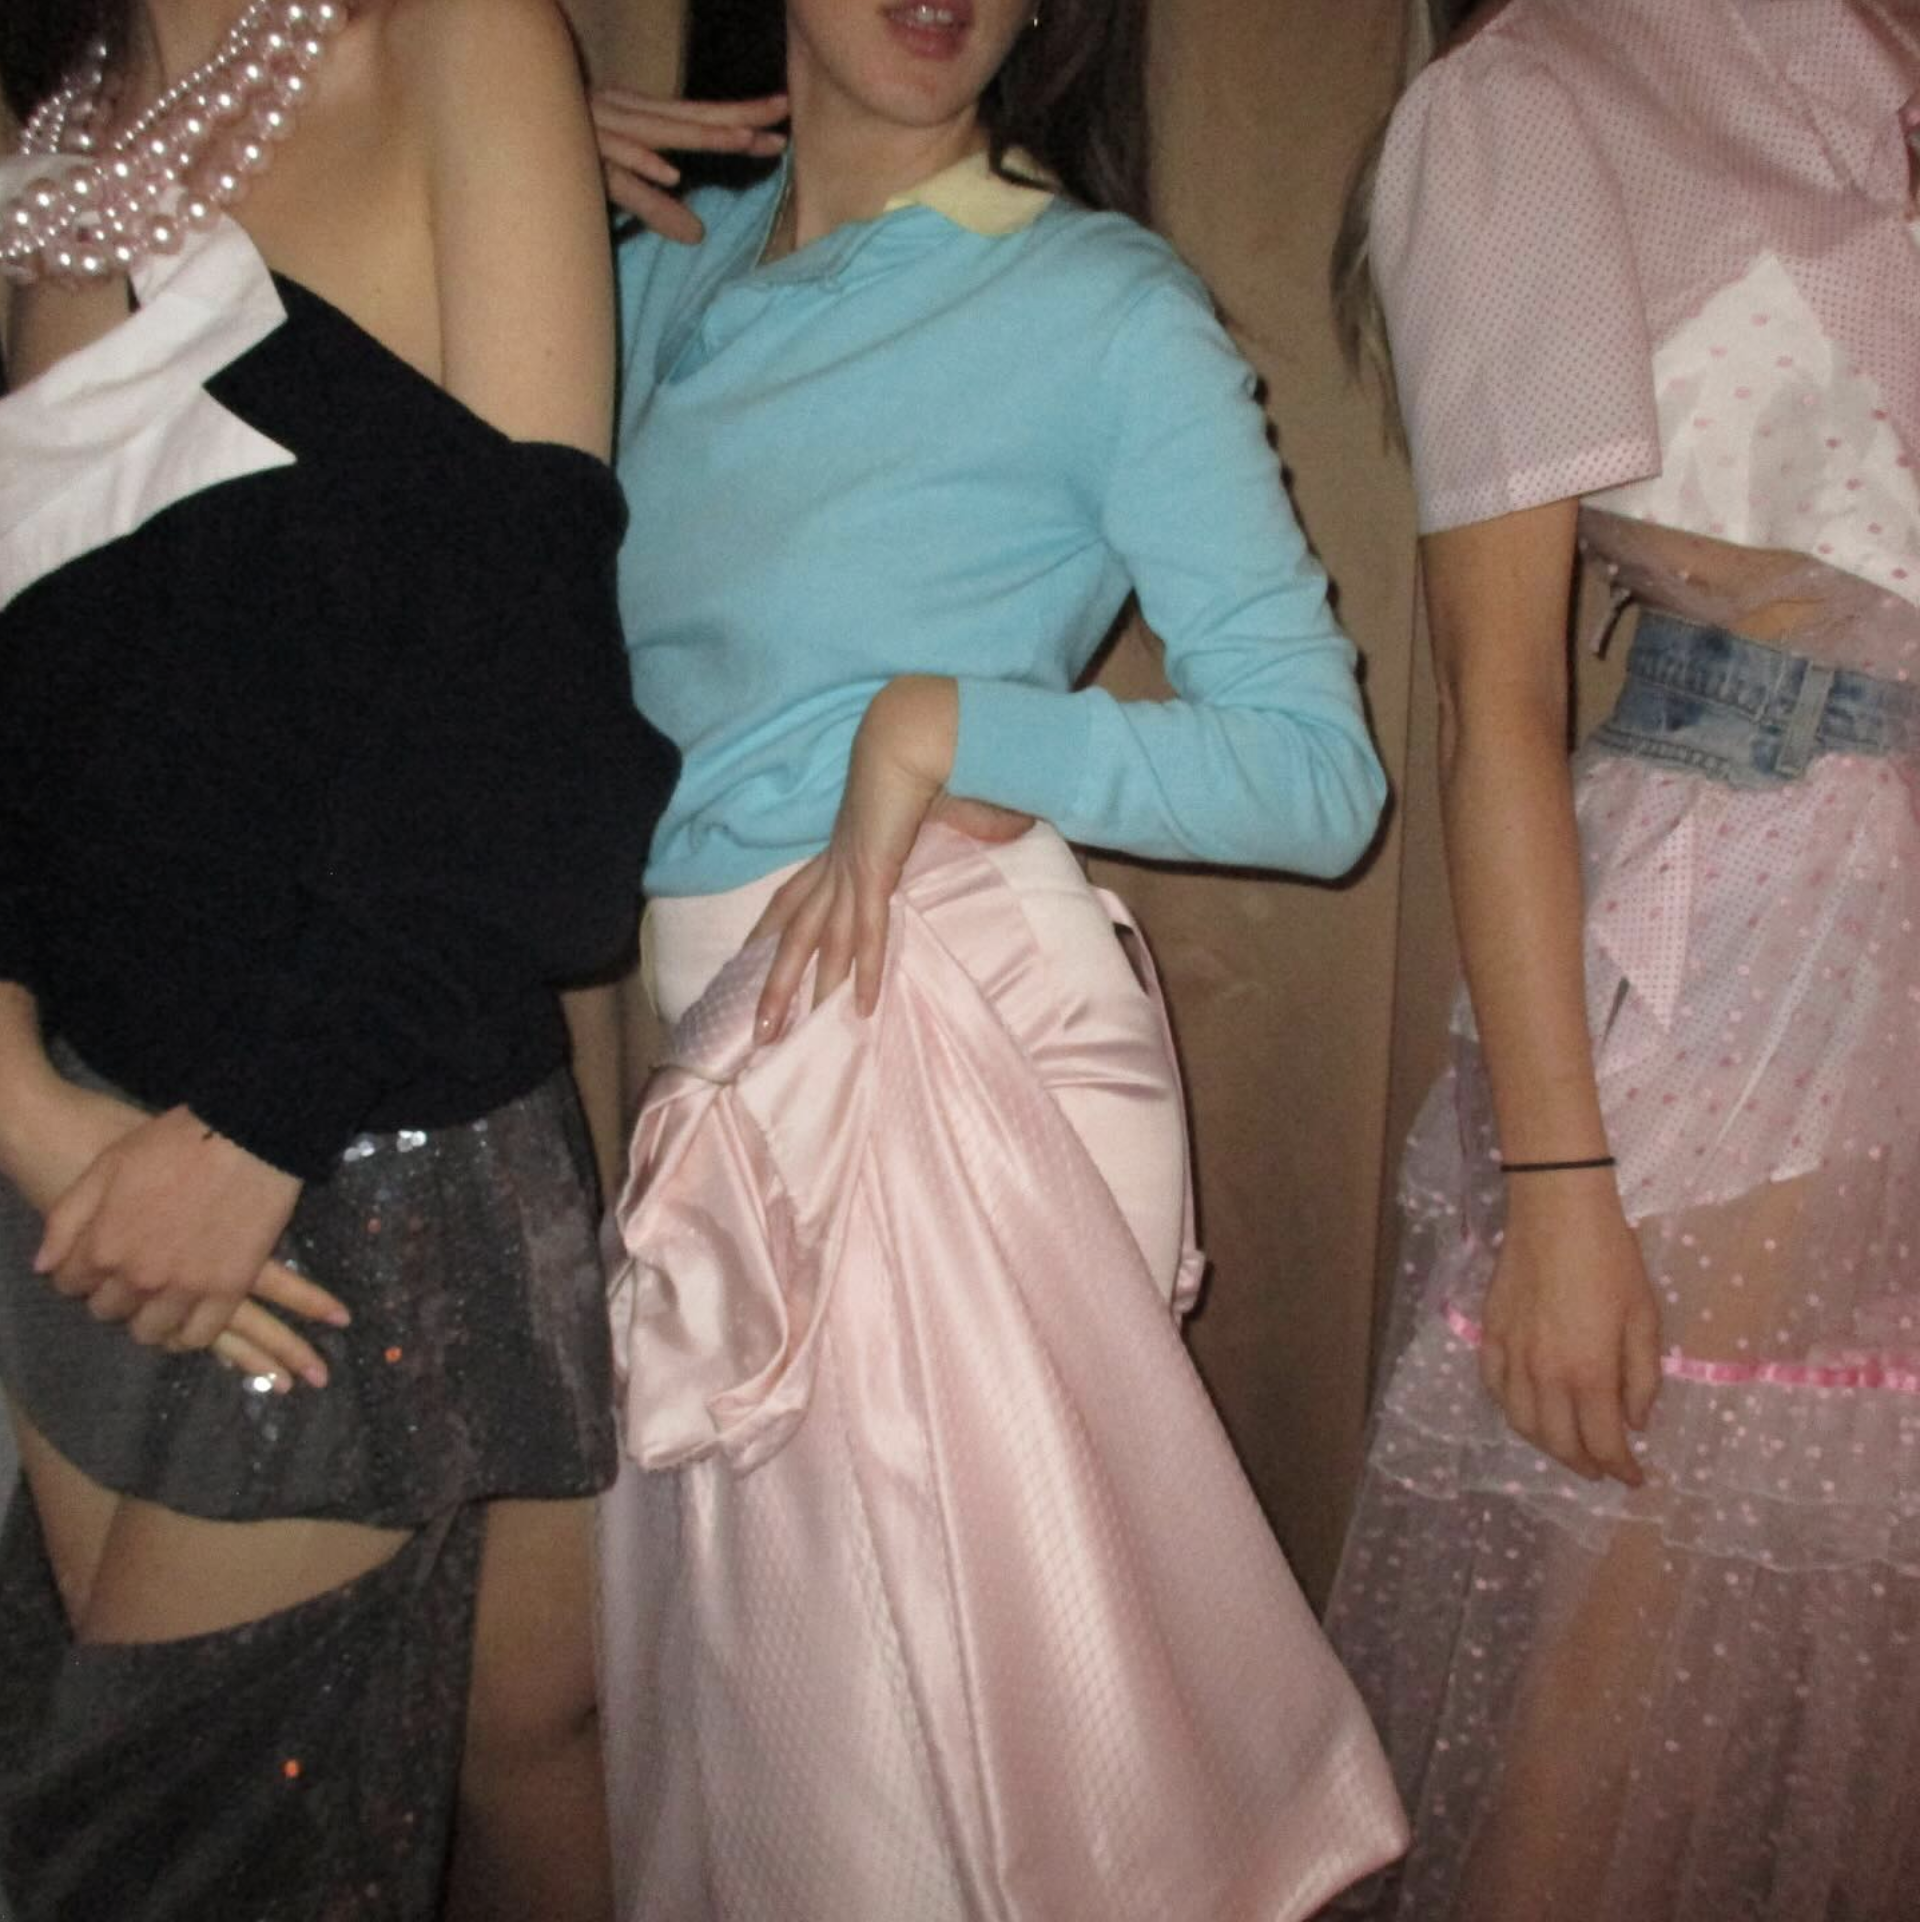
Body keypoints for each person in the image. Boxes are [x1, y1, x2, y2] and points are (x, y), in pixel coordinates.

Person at [589, 2, 1411, 1916]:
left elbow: (1321, 777)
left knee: (904, 1816)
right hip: (721, 1058)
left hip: (958, 1023)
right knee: (789, 1786)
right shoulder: (653, 281)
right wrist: (536, 148)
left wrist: (954, 721)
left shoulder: (1100, 306)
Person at [0, 1, 677, 1915]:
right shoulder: (38, 142)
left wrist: (258, 1127)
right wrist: (18, 1102)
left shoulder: (456, 30)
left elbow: (530, 665)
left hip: (349, 1138)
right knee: (515, 1733)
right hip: (77, 1145)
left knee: (191, 1834)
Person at [1322, 1, 1920, 1916]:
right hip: (1759, 948)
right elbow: (1493, 699)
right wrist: (1559, 1182)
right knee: (1616, 1717)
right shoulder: (1547, 96)